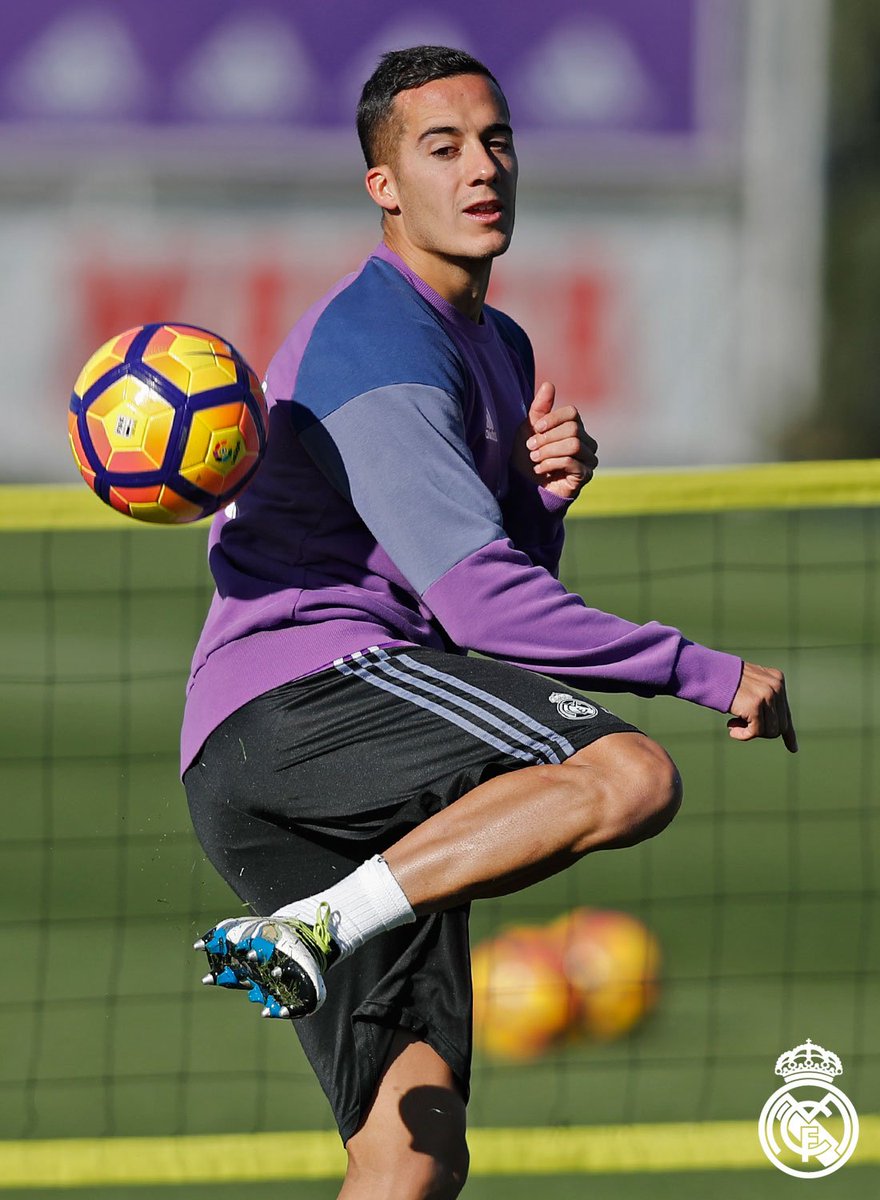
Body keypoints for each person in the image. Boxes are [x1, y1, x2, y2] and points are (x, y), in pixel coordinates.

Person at [183, 45, 796, 1200]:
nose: (481, 168)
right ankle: (319, 926)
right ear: (382, 185)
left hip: (290, 750)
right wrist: (701, 670)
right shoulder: (376, 338)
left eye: (496, 140)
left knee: (411, 1158)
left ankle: (316, 924)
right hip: (308, 700)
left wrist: (538, 499)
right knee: (625, 776)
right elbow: (481, 606)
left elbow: (479, 602)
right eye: (442, 147)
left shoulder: (497, 344)